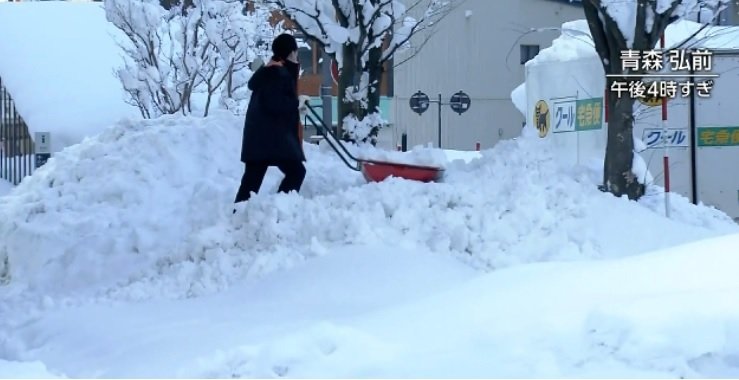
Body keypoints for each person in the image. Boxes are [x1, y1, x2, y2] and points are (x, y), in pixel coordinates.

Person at [234, 33, 306, 208]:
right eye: (295, 52)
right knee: (296, 172)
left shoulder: (271, 71)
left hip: (262, 139)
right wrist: (297, 103)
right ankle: (278, 209)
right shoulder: (277, 73)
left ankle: (238, 218)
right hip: (272, 140)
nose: (297, 57)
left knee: (251, 183)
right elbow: (276, 104)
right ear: (290, 53)